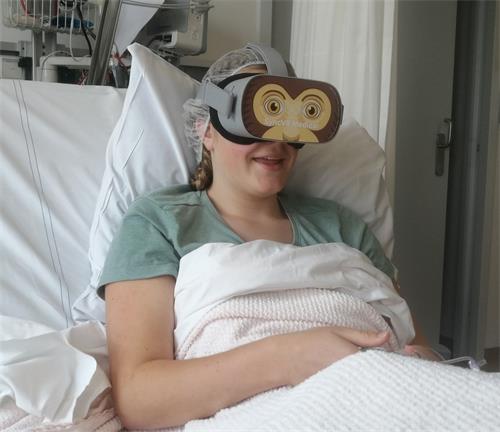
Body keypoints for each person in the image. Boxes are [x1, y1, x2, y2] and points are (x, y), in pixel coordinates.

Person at [99, 45, 439, 430]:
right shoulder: (159, 221)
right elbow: (138, 398)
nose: (276, 141)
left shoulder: (342, 226)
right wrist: (289, 357)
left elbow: (416, 342)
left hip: (383, 395)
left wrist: (422, 366)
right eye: (253, 116)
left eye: (290, 121)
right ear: (206, 130)